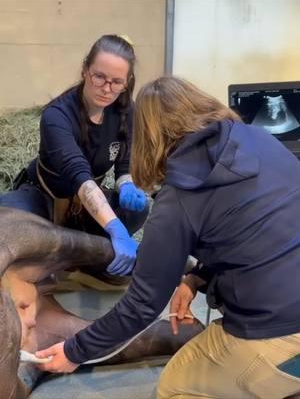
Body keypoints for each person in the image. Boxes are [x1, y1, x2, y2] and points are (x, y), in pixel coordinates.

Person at [35, 76, 300, 399]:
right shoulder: (261, 139)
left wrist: (76, 351)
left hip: (277, 335)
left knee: (174, 386)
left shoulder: (178, 199)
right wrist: (196, 278)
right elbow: (256, 228)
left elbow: (143, 304)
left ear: (146, 137)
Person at [0, 34, 148, 277]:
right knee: (9, 217)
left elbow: (123, 166)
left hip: (85, 209)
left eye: (116, 82)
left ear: (127, 82)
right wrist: (114, 228)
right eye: (99, 76)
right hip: (47, 197)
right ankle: (76, 253)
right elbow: (78, 174)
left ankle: (91, 262)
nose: (106, 88)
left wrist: (127, 185)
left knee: (138, 210)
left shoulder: (125, 110)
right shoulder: (57, 115)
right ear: (85, 70)